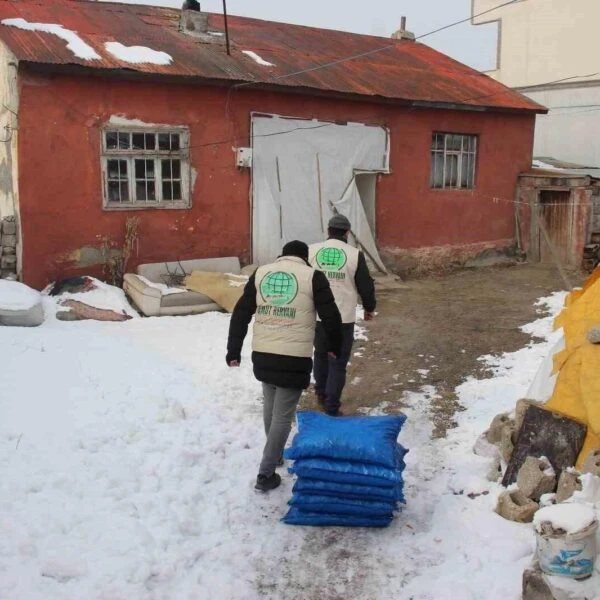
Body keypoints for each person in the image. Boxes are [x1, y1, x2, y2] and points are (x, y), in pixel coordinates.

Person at [226, 240, 342, 492]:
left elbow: (241, 313)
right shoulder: (313, 277)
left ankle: (275, 453)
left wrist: (233, 350)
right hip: (293, 356)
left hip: (263, 353)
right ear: (304, 257)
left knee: (270, 403)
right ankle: (265, 474)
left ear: (283, 255)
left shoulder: (261, 273)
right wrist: (334, 345)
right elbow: (331, 315)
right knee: (282, 416)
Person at [309, 214, 376, 416]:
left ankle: (320, 393)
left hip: (319, 315)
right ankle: (331, 406)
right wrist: (369, 308)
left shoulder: (311, 251)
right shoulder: (355, 255)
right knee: (337, 361)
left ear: (328, 230)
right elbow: (366, 285)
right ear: (347, 233)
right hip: (343, 317)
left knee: (320, 355)